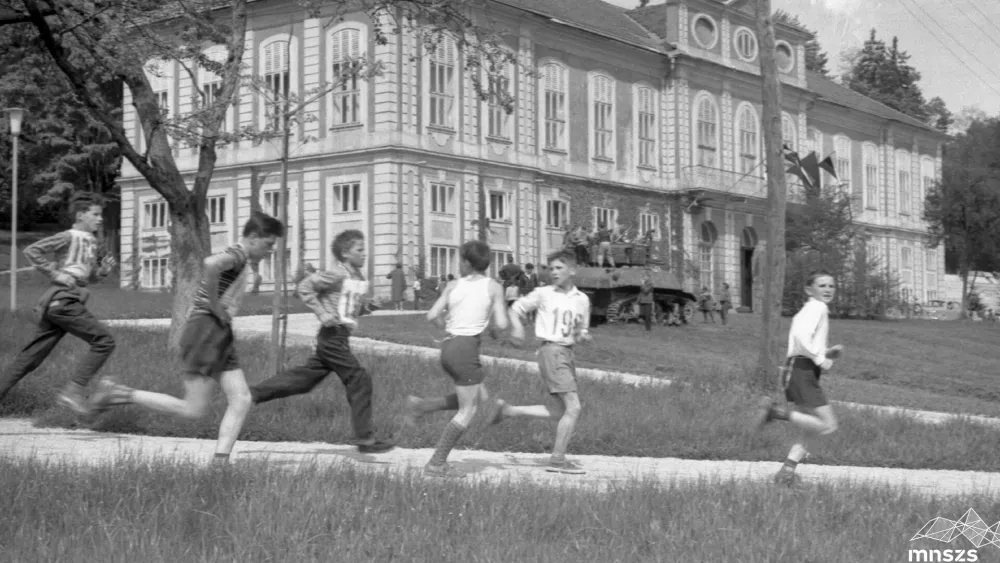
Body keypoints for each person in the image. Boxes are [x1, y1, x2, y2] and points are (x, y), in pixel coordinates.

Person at [88, 212, 285, 463]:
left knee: (241, 398)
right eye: (268, 244)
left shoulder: (241, 258)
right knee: (193, 408)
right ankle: (119, 394)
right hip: (206, 330)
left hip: (218, 331)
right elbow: (211, 264)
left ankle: (220, 462)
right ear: (253, 238)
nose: (270, 251)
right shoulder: (238, 255)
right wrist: (214, 305)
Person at [247, 230, 394, 454]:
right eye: (360, 250)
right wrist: (322, 313)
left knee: (305, 380)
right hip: (332, 336)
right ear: (345, 253)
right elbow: (304, 287)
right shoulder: (337, 274)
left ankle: (254, 394)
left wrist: (372, 305)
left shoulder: (357, 277)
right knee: (359, 379)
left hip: (338, 336)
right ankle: (365, 439)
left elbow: (350, 311)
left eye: (364, 249)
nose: (365, 254)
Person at [0, 193, 117, 414]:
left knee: (29, 359)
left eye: (100, 215)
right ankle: (73, 391)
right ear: (81, 215)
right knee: (104, 341)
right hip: (64, 301)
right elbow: (32, 250)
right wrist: (55, 274)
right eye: (95, 214)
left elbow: (86, 277)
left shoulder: (91, 242)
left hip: (62, 303)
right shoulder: (68, 236)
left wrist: (102, 272)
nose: (100, 219)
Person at [404, 240, 510, 478]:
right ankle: (437, 463)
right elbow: (502, 324)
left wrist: (446, 327)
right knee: (468, 411)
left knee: (479, 396)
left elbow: (432, 314)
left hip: (448, 347)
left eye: (460, 260)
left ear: (466, 263)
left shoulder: (453, 285)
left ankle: (422, 406)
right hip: (466, 349)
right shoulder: (494, 287)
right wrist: (497, 327)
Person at [492, 250, 592, 474]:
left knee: (561, 410)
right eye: (551, 268)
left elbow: (580, 330)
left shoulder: (582, 300)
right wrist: (517, 328)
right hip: (551, 351)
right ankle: (558, 460)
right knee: (574, 407)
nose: (554, 272)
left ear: (572, 270)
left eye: (559, 268)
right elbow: (515, 309)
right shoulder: (544, 293)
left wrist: (583, 336)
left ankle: (510, 411)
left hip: (567, 353)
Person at [756, 270, 842, 486]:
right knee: (828, 425)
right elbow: (801, 338)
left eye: (831, 286)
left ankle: (786, 472)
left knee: (811, 428)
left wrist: (826, 353)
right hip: (801, 371)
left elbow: (802, 342)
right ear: (809, 290)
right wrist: (821, 359)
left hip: (799, 369)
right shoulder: (817, 307)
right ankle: (777, 412)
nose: (828, 289)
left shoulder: (810, 309)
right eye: (822, 285)